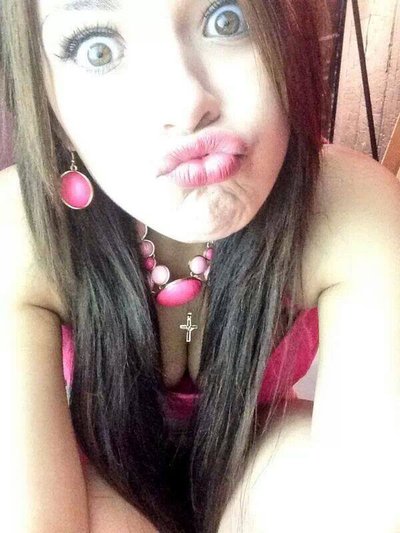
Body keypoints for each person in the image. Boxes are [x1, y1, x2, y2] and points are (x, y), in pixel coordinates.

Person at [0, 0, 399, 532]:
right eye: (97, 49)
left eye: (226, 19)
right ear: (46, 96)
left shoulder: (349, 206)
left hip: (258, 462)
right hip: (94, 473)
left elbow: (367, 495)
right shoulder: (21, 229)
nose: (186, 102)